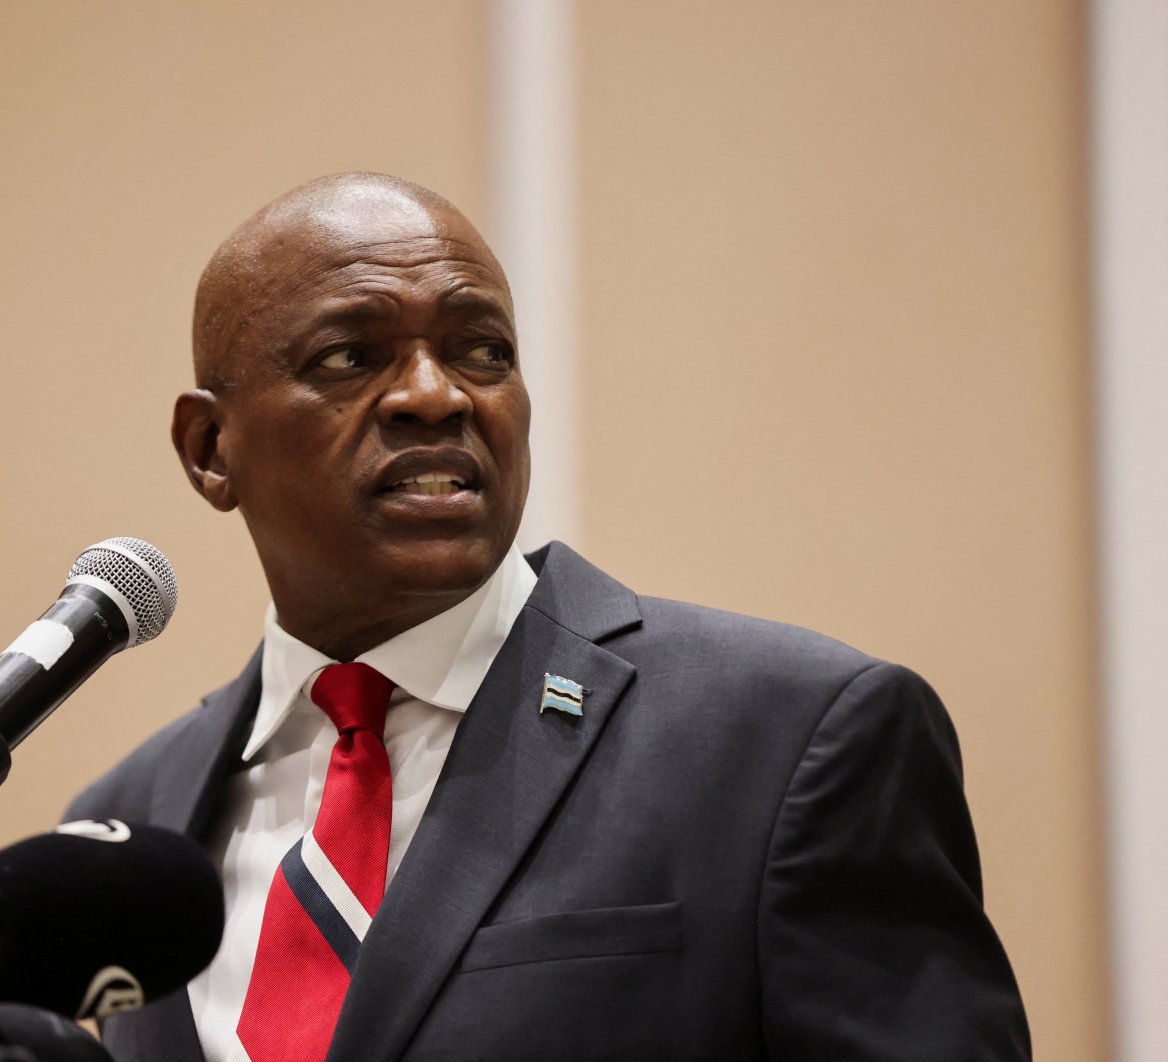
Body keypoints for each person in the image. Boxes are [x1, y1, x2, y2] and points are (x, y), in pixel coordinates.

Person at [66, 173, 1030, 1061]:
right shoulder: (119, 833)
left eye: (481, 351)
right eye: (351, 356)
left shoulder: (786, 740)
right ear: (209, 450)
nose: (435, 396)